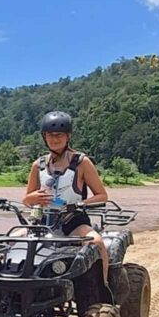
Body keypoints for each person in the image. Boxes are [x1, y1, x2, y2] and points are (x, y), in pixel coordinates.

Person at [23, 111, 110, 281]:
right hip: (42, 221)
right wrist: (32, 198)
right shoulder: (38, 165)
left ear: (68, 136)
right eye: (50, 135)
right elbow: (26, 199)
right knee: (9, 241)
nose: (54, 139)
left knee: (97, 243)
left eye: (59, 135)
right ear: (44, 137)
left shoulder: (81, 162)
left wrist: (80, 204)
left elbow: (102, 195)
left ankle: (104, 288)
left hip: (74, 222)